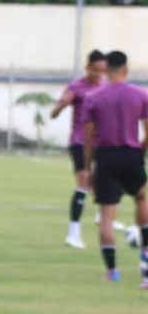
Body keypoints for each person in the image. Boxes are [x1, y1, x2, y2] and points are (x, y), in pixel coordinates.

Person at [80, 50, 148, 286]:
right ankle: (146, 263)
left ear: (106, 70)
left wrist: (87, 168)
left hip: (106, 156)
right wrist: (140, 150)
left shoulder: (93, 97)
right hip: (131, 154)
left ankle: (112, 272)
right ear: (126, 70)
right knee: (141, 199)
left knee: (107, 216)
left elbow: (88, 138)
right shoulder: (141, 94)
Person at [51, 49, 107, 249]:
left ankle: (103, 215)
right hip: (80, 142)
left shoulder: (106, 87)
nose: (99, 75)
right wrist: (60, 106)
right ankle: (73, 233)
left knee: (103, 181)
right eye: (96, 70)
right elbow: (55, 111)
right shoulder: (77, 87)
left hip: (101, 142)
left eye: (103, 71)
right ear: (87, 68)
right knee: (83, 183)